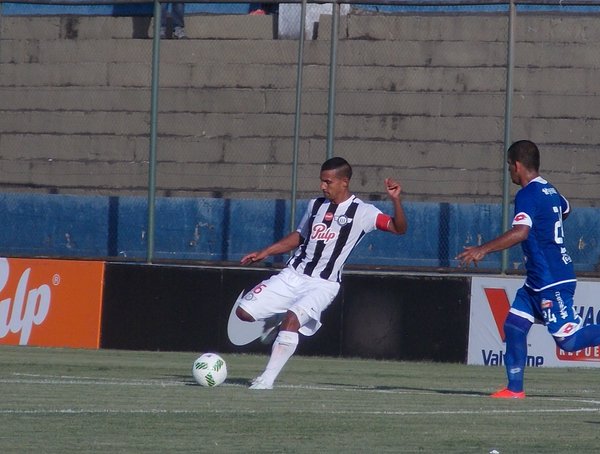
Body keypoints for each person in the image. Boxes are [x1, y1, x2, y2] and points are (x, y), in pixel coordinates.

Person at [236, 157, 408, 389]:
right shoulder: (315, 205)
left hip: (323, 284)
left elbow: (399, 228)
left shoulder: (363, 212)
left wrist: (396, 200)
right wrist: (265, 252)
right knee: (243, 313)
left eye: (328, 182)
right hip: (293, 275)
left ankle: (266, 380)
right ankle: (278, 318)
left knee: (292, 320)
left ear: (344, 182)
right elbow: (300, 236)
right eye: (322, 181)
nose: (323, 186)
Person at [457, 140, 600, 399]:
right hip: (537, 280)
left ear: (518, 166)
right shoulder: (549, 189)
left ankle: (515, 388)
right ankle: (514, 389)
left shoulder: (527, 194)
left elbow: (520, 232)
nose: (510, 170)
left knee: (568, 342)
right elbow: (564, 209)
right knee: (514, 325)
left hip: (551, 279)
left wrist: (483, 249)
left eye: (510, 165)